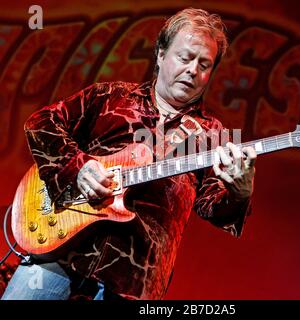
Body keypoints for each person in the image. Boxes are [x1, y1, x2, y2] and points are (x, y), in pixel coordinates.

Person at [1, 8, 256, 300]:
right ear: (160, 55)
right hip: (59, 252)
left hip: (132, 283)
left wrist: (240, 191)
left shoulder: (212, 135)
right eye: (185, 58)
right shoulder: (110, 97)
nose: (193, 70)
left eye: (204, 64)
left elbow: (213, 207)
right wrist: (78, 168)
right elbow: (41, 124)